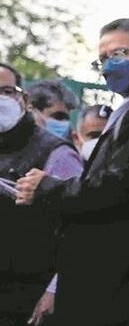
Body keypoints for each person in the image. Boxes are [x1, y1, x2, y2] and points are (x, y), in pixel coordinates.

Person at [15, 18, 129, 326]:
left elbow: (118, 187)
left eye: (119, 54)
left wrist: (48, 187)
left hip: (115, 271)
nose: (109, 66)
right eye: (103, 59)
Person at [0, 63, 81, 326]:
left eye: (6, 91)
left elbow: (80, 225)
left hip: (26, 296)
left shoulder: (56, 153)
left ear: (23, 98)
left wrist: (55, 289)